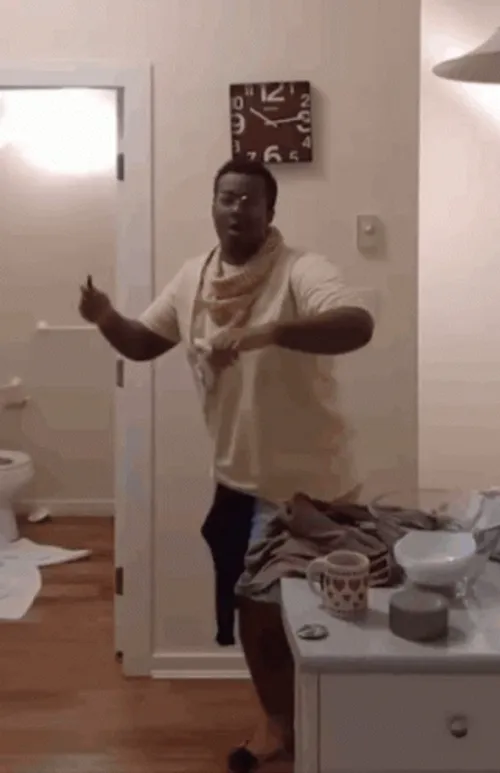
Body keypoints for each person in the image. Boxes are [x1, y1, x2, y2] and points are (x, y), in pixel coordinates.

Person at [79, 159, 374, 772]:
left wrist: (269, 331)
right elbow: (143, 342)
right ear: (213, 206)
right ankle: (277, 725)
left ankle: (336, 726)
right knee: (253, 615)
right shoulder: (194, 277)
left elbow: (355, 325)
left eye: (250, 199)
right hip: (238, 481)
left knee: (330, 612)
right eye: (226, 197)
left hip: (315, 487)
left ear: (270, 211)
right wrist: (104, 315)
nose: (237, 208)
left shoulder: (301, 269)